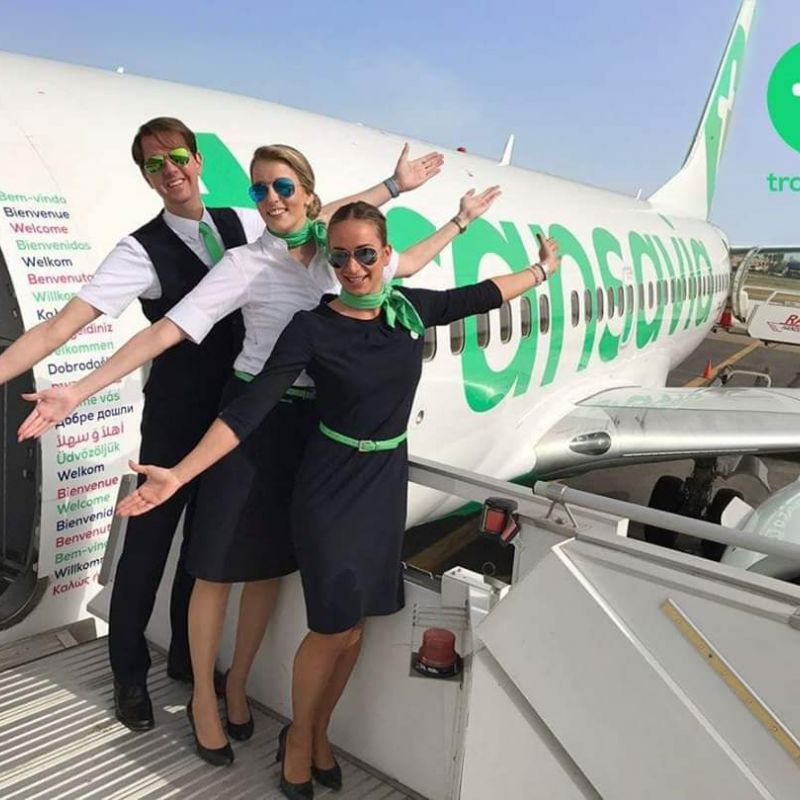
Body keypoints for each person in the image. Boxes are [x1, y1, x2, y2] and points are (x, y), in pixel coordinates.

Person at [18, 145, 497, 765]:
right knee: (215, 568)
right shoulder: (244, 264)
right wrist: (79, 390)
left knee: (268, 567)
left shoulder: (336, 252)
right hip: (251, 417)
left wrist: (443, 213)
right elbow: (165, 331)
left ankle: (238, 682)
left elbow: (398, 262)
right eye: (259, 190)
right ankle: (202, 699)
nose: (271, 199)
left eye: (283, 187)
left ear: (309, 195)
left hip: (310, 426)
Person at [114, 201, 561, 796]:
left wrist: (541, 271)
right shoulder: (312, 326)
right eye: (341, 255)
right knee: (330, 626)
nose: (352, 267)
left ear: (386, 254)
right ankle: (298, 740)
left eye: (366, 254)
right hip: (330, 485)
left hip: (384, 483)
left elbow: (480, 296)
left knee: (357, 629)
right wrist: (180, 473)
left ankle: (318, 731)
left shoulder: (409, 310)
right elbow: (250, 407)